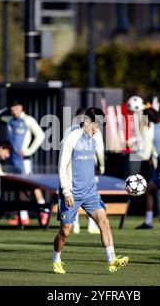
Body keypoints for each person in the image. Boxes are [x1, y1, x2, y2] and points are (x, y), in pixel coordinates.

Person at [52, 107, 129, 274]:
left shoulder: (94, 138)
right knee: (65, 231)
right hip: (71, 193)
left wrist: (100, 166)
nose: (97, 130)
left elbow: (94, 159)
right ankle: (56, 259)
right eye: (95, 126)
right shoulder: (70, 139)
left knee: (104, 221)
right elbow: (62, 168)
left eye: (99, 127)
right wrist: (67, 192)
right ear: (87, 122)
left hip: (90, 193)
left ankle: (112, 260)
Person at [0, 100, 48, 226]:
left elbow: (40, 136)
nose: (13, 111)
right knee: (19, 187)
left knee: (31, 185)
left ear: (21, 107)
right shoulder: (10, 120)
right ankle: (23, 217)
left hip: (24, 160)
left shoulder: (28, 120)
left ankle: (45, 212)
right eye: (11, 109)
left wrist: (29, 150)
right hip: (13, 159)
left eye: (16, 108)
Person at [135, 107, 160, 229]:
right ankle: (148, 221)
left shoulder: (150, 132)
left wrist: (134, 147)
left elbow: (145, 155)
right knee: (149, 190)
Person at [64, 107, 103, 234]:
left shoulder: (70, 131)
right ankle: (91, 225)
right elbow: (100, 151)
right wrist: (102, 166)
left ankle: (76, 225)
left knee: (83, 197)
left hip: (76, 171)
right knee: (87, 195)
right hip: (88, 169)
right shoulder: (75, 133)